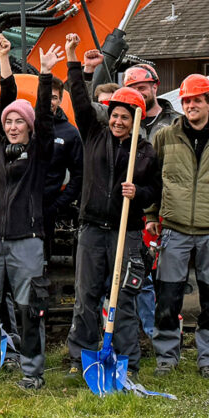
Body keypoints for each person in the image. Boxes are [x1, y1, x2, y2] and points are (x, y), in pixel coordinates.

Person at [0, 35, 64, 389]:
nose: (12, 126)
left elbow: (46, 120)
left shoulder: (39, 152)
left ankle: (32, 373)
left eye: (20, 122)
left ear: (29, 127)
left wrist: (46, 74)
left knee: (27, 310)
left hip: (26, 242)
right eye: (8, 122)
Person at [65, 34, 161, 376]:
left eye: (126, 117)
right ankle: (82, 358)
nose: (120, 122)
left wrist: (140, 194)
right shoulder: (93, 134)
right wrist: (73, 60)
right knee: (86, 297)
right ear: (110, 114)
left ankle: (128, 362)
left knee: (123, 299)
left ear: (136, 119)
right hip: (92, 229)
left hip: (127, 232)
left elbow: (155, 190)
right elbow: (77, 99)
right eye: (116, 116)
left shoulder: (146, 152)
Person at [149, 74, 209, 378]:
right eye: (186, 100)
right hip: (174, 229)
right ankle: (166, 356)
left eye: (196, 100)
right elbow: (153, 180)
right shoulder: (165, 137)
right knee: (167, 296)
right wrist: (152, 216)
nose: (190, 105)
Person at [43, 82, 83, 280]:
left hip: (48, 206)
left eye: (54, 97)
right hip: (21, 204)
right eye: (46, 95)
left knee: (42, 259)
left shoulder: (70, 133)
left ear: (59, 100)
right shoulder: (24, 123)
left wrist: (60, 203)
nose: (50, 101)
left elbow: (79, 175)